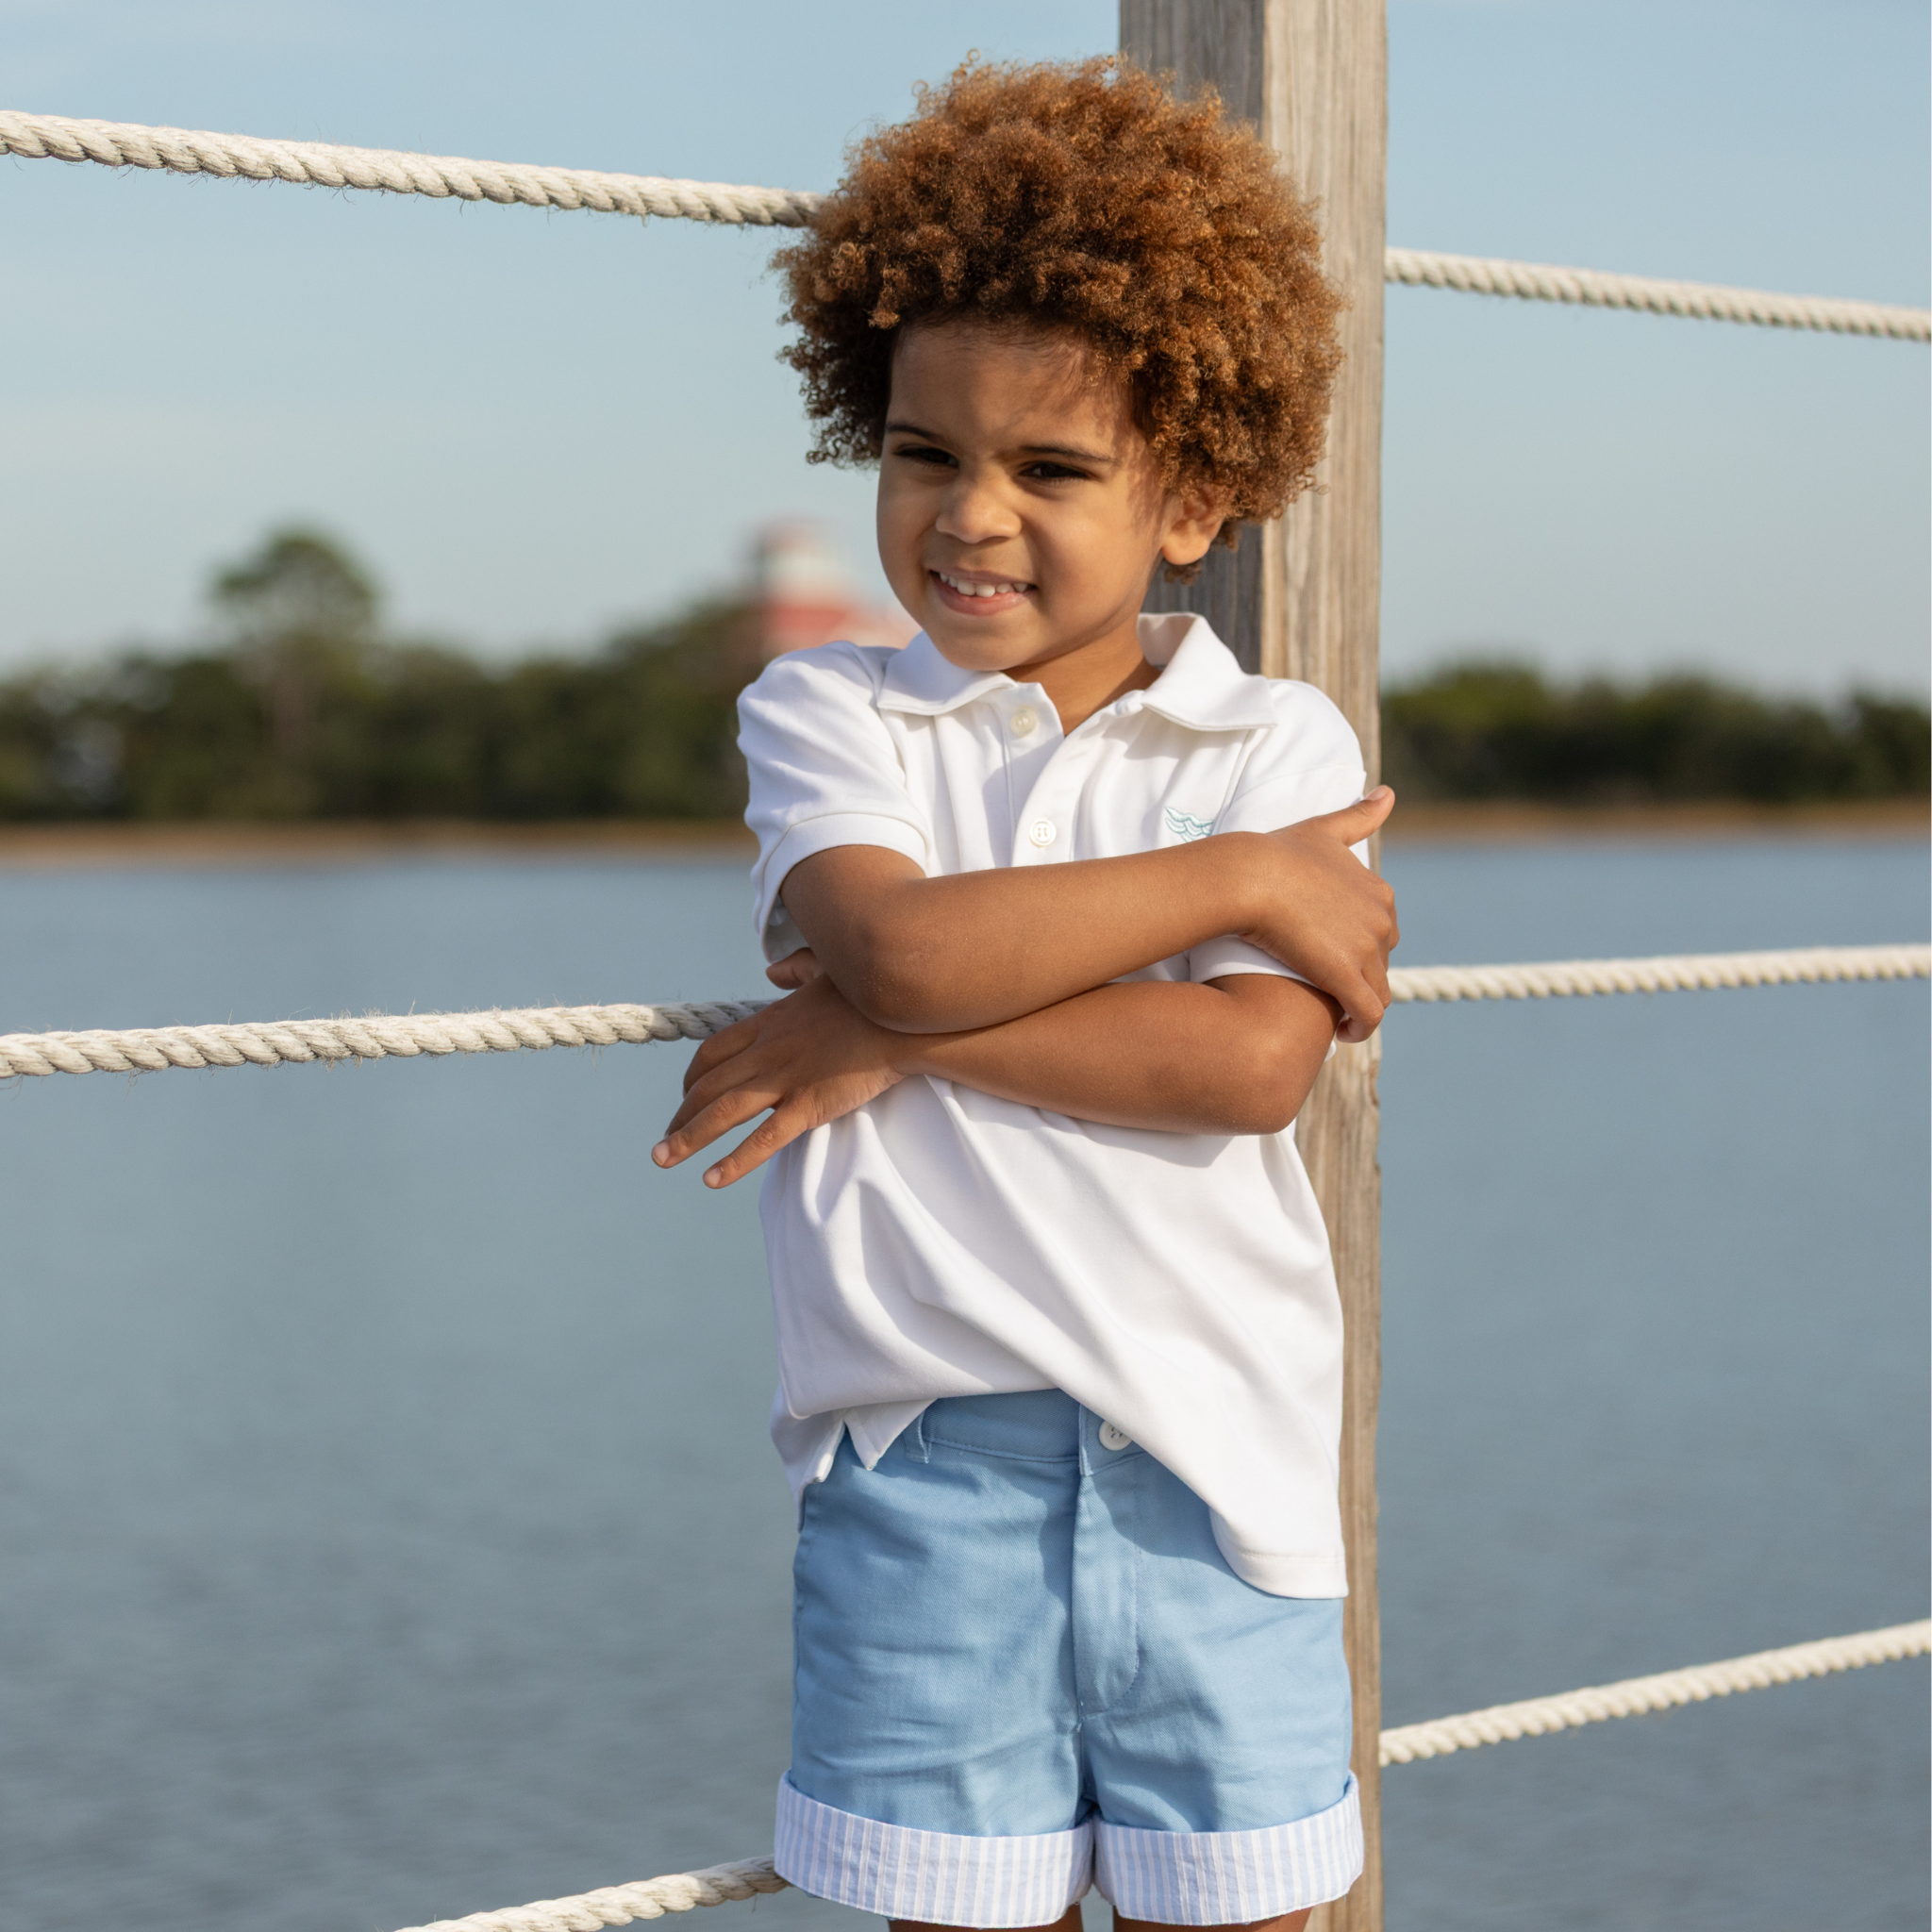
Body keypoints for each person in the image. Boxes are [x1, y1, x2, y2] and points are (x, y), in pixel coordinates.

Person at [652, 57, 1398, 1932]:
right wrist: (1236, 879)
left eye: (1052, 468)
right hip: (924, 1463)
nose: (971, 517)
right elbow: (897, 941)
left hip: (1211, 1457)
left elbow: (1238, 1066)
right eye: (925, 454)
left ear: (1193, 493)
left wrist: (880, 1034)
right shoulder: (830, 708)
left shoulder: (1268, 734)